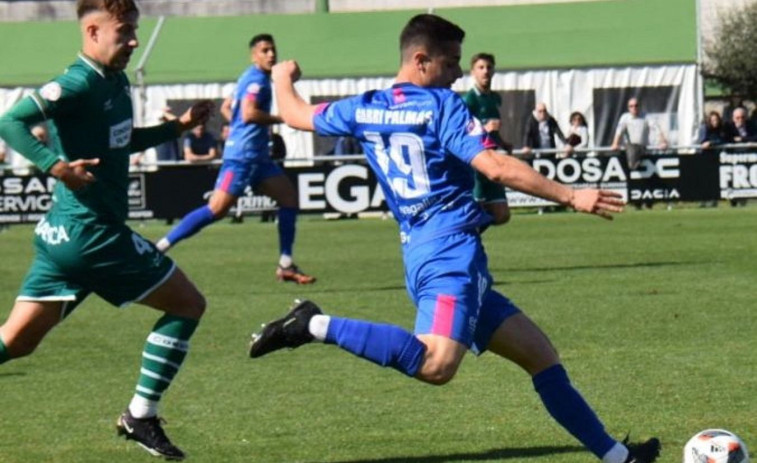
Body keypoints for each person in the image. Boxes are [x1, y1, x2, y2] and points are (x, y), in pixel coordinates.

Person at [249, 14, 660, 463]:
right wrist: (570, 195)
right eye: (451, 63)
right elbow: (496, 167)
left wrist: (282, 76)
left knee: (541, 355)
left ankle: (618, 457)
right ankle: (313, 324)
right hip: (449, 256)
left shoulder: (361, 107)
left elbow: (293, 114)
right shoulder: (441, 106)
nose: (459, 73)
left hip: (434, 253)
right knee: (436, 365)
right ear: (421, 60)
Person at [0, 1, 214, 459]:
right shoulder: (76, 82)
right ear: (93, 31)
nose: (134, 40)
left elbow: (123, 140)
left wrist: (177, 126)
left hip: (65, 237)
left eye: (135, 30)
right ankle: (141, 413)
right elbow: (10, 121)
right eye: (125, 32)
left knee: (15, 341)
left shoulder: (113, 82)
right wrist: (55, 166)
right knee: (188, 304)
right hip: (93, 234)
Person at [155, 33, 316, 284]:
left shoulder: (247, 77)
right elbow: (250, 114)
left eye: (273, 49)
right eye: (265, 50)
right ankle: (158, 249)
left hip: (257, 155)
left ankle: (286, 264)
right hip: (242, 156)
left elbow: (226, 107)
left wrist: (240, 127)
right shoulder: (258, 82)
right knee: (216, 210)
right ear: (254, 55)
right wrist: (282, 118)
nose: (271, 54)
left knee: (288, 199)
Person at [463, 52, 510, 226]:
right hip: (478, 162)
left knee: (502, 214)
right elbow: (463, 129)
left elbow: (493, 130)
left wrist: (503, 142)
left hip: (493, 159)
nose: (485, 71)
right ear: (473, 72)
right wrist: (485, 128)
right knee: (476, 211)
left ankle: (467, 233)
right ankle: (464, 240)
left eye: (489, 67)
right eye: (481, 68)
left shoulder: (494, 98)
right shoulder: (470, 99)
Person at [610, 98, 668, 170]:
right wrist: (615, 143)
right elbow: (619, 131)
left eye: (636, 105)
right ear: (628, 108)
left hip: (644, 151)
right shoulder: (625, 117)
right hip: (630, 152)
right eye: (631, 106)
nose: (634, 108)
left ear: (639, 106)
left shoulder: (646, 116)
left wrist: (663, 141)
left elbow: (657, 129)